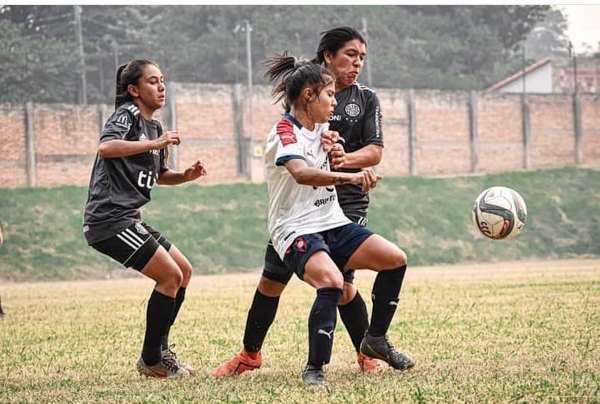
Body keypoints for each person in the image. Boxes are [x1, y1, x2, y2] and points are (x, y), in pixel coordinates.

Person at [215, 26, 390, 377]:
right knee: (271, 281)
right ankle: (250, 354)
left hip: (344, 204)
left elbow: (375, 151)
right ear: (328, 56)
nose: (357, 64)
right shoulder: (307, 92)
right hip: (296, 207)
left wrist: (345, 161)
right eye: (350, 55)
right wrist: (329, 156)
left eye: (362, 58)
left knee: (342, 286)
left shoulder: (365, 98)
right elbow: (294, 139)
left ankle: (364, 354)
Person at [83, 59, 207, 379]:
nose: (161, 86)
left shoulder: (154, 127)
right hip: (108, 219)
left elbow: (159, 175)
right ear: (134, 90)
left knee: (183, 271)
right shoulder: (128, 115)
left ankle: (161, 353)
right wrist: (157, 143)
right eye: (153, 81)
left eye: (162, 80)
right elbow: (107, 147)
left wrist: (186, 176)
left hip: (129, 218)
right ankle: (151, 360)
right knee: (169, 277)